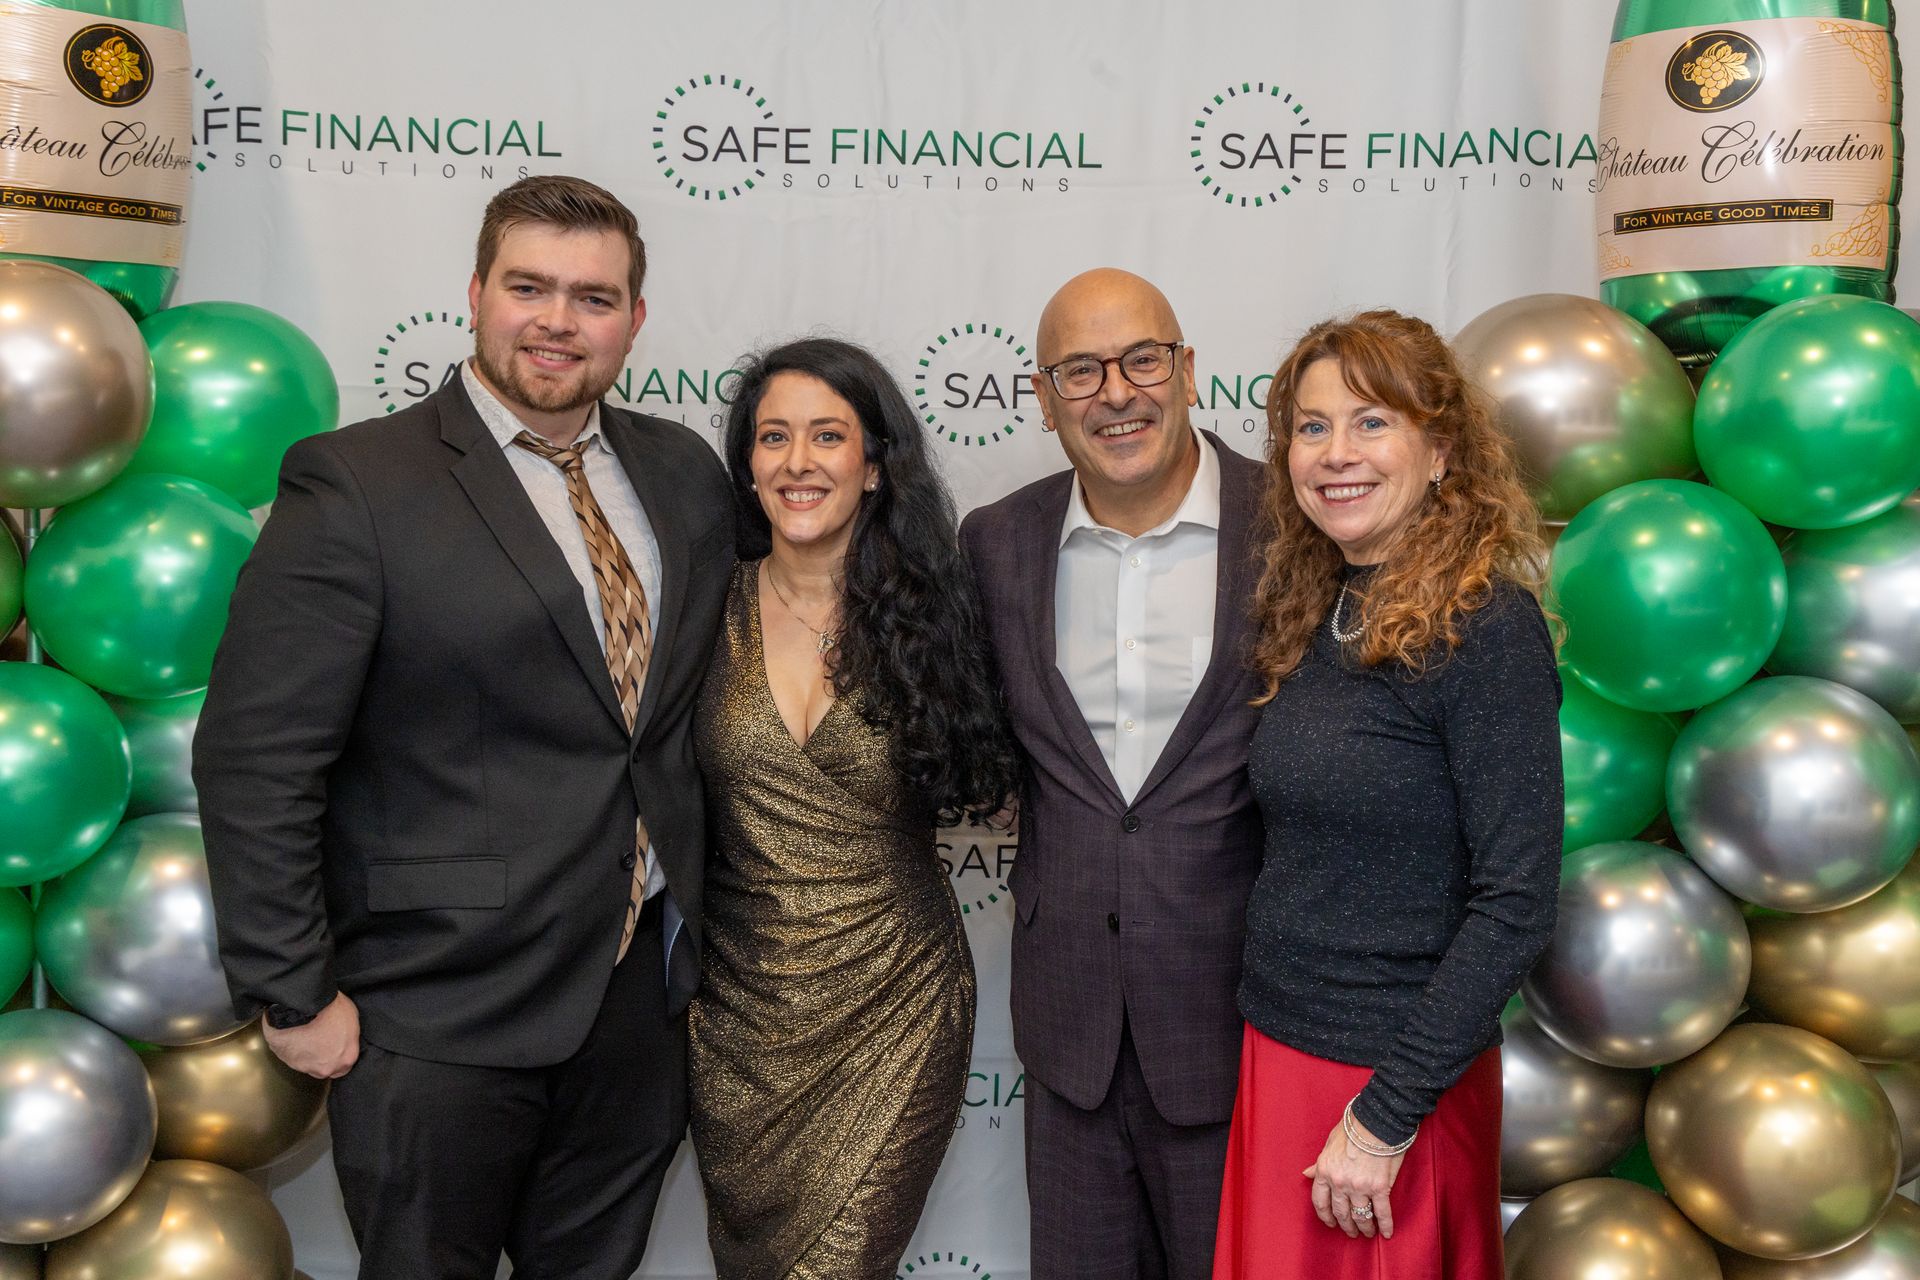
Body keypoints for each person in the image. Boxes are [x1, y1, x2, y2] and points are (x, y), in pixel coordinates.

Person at [194, 175, 735, 1279]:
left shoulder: (683, 471)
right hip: (433, 1014)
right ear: (476, 292)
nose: (557, 319)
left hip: (636, 1006)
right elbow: (257, 756)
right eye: (529, 286)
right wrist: (293, 991)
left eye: (593, 297)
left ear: (635, 320)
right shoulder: (358, 482)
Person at [1212, 310, 1562, 1279]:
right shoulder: (1320, 604)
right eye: (1311, 426)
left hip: (1391, 1092)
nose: (1335, 453)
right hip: (1285, 1055)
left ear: (1441, 447)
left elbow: (1517, 902)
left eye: (1371, 422)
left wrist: (1382, 1118)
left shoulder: (1486, 626)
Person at [959, 268, 1266, 1280]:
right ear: (1043, 399)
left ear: (1187, 372)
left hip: (1247, 1019)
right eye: (1079, 370)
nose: (1115, 392)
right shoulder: (998, 542)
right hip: (1068, 1031)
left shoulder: (1294, 526)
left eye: (1141, 359)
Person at [690, 337, 1017, 1280]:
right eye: (773, 438)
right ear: (746, 465)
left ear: (874, 464)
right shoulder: (699, 608)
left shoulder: (941, 609)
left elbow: (1020, 771)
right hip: (737, 1024)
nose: (798, 462)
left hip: (895, 1008)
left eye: (827, 436)